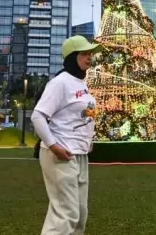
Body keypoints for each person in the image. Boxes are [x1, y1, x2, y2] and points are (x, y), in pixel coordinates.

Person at [31, 35, 101, 235]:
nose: (90, 57)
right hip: (60, 154)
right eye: (84, 54)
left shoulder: (81, 83)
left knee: (80, 213)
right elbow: (38, 116)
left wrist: (89, 139)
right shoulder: (60, 83)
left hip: (79, 154)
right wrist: (53, 146)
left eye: (90, 54)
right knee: (66, 213)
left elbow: (79, 115)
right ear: (72, 56)